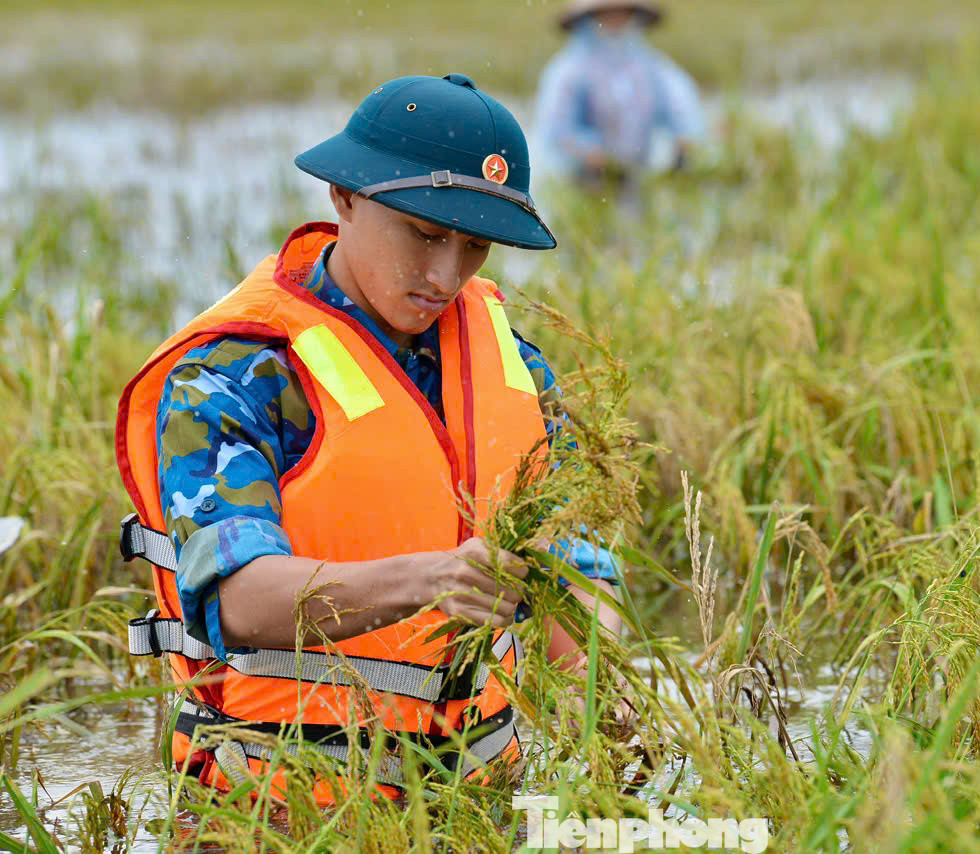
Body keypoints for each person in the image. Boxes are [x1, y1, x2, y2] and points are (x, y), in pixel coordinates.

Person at [115, 73, 621, 802]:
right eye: (424, 233)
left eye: (475, 245)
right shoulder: (239, 373)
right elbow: (238, 601)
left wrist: (604, 696)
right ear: (344, 198)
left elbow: (576, 571)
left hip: (478, 805)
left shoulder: (516, 365)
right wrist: (432, 578)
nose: (446, 274)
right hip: (280, 812)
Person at [533, 0, 706, 183]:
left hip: (638, 176)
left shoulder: (649, 64)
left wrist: (685, 138)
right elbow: (555, 132)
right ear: (589, 18)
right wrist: (589, 152)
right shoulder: (567, 71)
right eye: (606, 14)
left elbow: (682, 109)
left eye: (622, 13)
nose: (615, 20)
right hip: (581, 181)